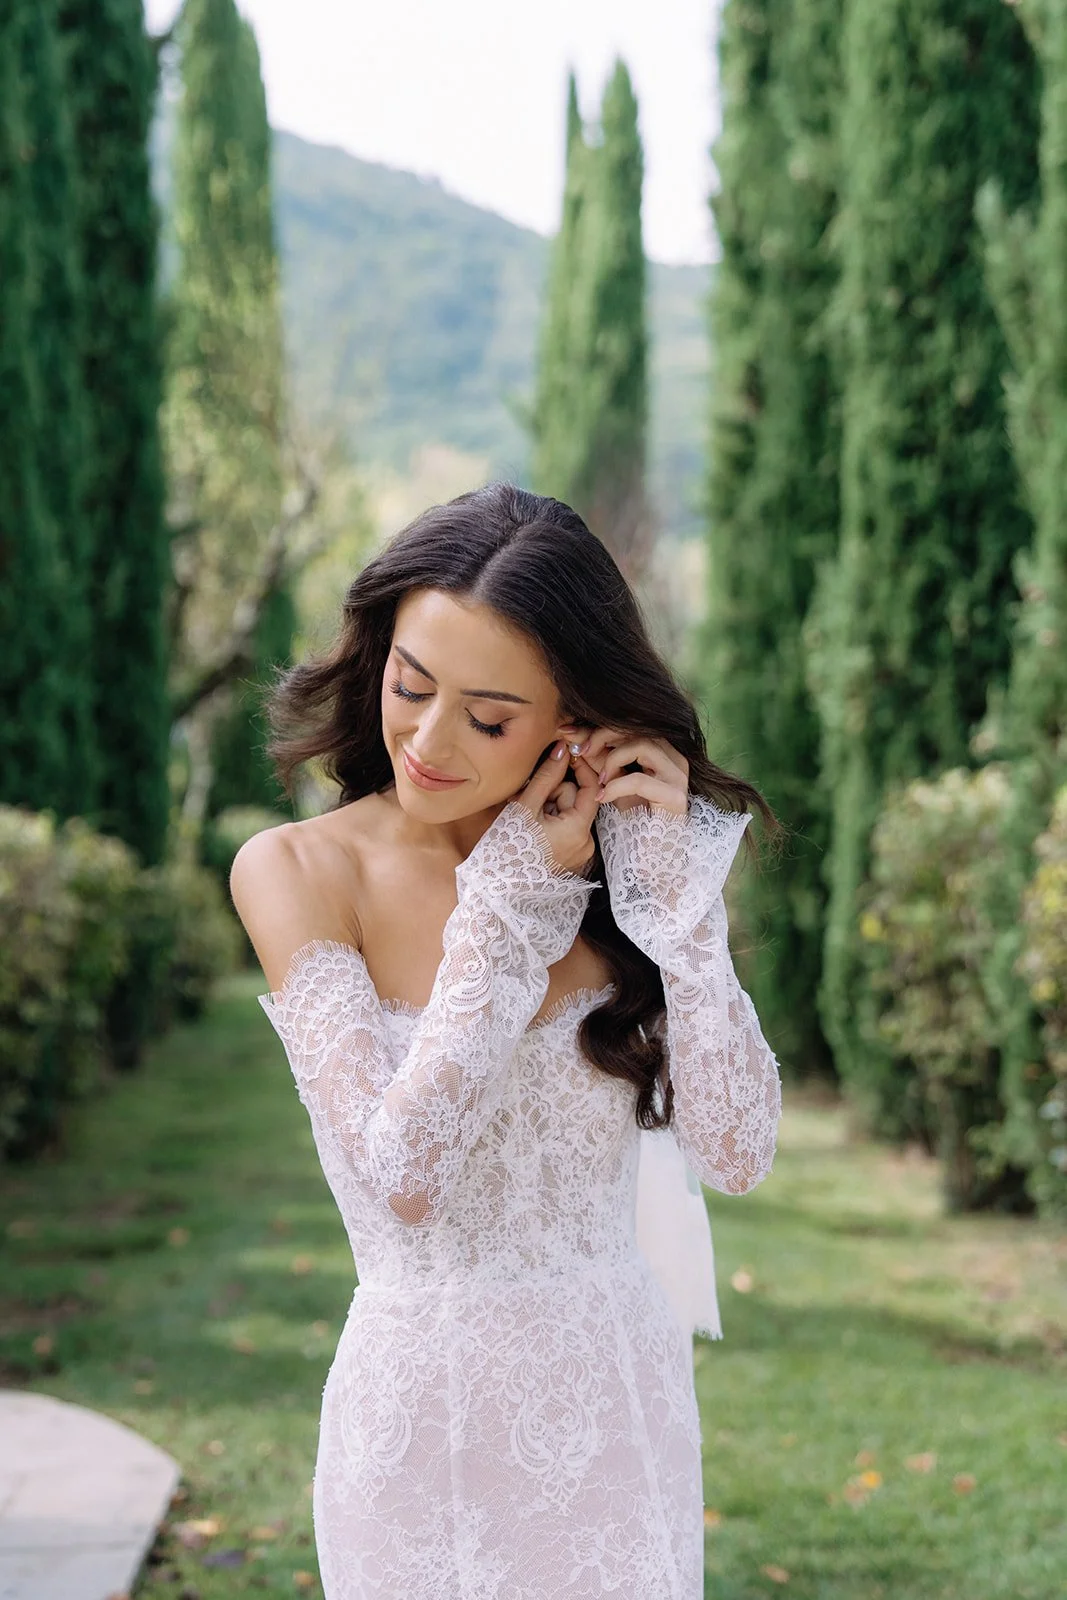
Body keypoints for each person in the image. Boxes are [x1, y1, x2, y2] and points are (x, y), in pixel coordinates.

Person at [230, 482, 784, 1600]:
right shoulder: (294, 871)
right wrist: (509, 904)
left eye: (486, 718)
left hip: (618, 1405)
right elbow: (401, 1176)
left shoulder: (620, 871)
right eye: (409, 686)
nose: (428, 742)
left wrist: (676, 908)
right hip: (420, 1420)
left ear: (572, 719)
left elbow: (735, 1149)